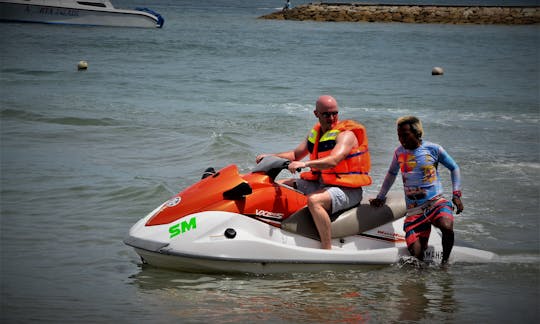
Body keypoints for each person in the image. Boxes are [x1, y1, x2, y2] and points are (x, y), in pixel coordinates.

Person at [256, 95, 371, 249]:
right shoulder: (316, 133)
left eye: (334, 113)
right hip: (321, 183)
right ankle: (276, 230)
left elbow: (333, 160)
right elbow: (295, 155)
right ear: (316, 114)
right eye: (326, 114)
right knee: (278, 186)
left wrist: (305, 163)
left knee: (314, 201)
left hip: (347, 190)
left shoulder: (346, 135)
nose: (331, 118)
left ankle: (326, 248)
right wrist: (270, 156)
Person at [370, 116, 463, 264]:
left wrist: (456, 194)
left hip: (436, 203)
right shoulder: (399, 153)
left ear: (417, 133)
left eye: (405, 135)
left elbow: (454, 167)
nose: (401, 139)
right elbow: (391, 174)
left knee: (446, 226)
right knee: (417, 254)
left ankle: (445, 264)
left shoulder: (433, 149)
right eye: (399, 135)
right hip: (414, 211)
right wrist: (381, 197)